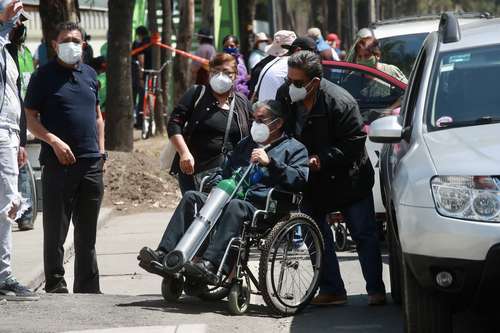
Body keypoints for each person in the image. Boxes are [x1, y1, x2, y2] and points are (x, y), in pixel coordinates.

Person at [138, 100, 309, 282]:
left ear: (278, 122)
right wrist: (215, 186)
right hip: (228, 198)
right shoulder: (246, 144)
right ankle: (165, 253)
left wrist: (272, 163)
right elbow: (225, 171)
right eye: (253, 119)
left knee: (235, 207)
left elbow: (299, 179)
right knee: (191, 197)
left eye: (261, 119)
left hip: (261, 207)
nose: (255, 124)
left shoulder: (294, 148)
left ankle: (210, 264)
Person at [276, 51, 387, 306]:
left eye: (298, 82)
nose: (292, 86)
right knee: (314, 234)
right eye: (289, 80)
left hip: (349, 179)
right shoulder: (286, 95)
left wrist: (321, 159)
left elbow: (355, 143)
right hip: (312, 181)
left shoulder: (340, 102)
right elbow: (281, 127)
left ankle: (376, 290)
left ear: (315, 82)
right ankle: (332, 289)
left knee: (363, 235)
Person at [25, 21, 106, 294]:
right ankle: (56, 286)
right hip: (58, 167)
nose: (72, 44)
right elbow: (30, 119)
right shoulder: (43, 77)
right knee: (55, 233)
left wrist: (102, 152)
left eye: (76, 40)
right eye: (66, 39)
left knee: (87, 235)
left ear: (83, 45)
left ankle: (88, 288)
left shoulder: (91, 75)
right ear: (54, 44)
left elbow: (97, 117)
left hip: (91, 165)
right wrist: (53, 141)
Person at [167, 53, 252, 194]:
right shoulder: (197, 94)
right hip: (195, 170)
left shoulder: (242, 102)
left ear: (235, 75)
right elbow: (174, 124)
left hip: (231, 174)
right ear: (208, 74)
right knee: (197, 212)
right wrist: (184, 153)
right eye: (215, 72)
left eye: (226, 72)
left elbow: (254, 130)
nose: (220, 76)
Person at [0, 0, 38, 301]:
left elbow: (16, 98)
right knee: (8, 204)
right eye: (16, 17)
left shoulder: (11, 54)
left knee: (7, 203)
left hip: (10, 135)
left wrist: (20, 141)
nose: (19, 23)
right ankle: (3, 276)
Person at [7, 12, 34, 231]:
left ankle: (25, 214)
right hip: (8, 118)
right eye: (17, 20)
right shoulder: (5, 50)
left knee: (21, 165)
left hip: (20, 112)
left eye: (21, 22)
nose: (19, 25)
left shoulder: (21, 52)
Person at [255, 35, 318, 103]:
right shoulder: (294, 65)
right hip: (273, 110)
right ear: (297, 50)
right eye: (312, 52)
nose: (314, 56)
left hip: (262, 108)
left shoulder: (273, 62)